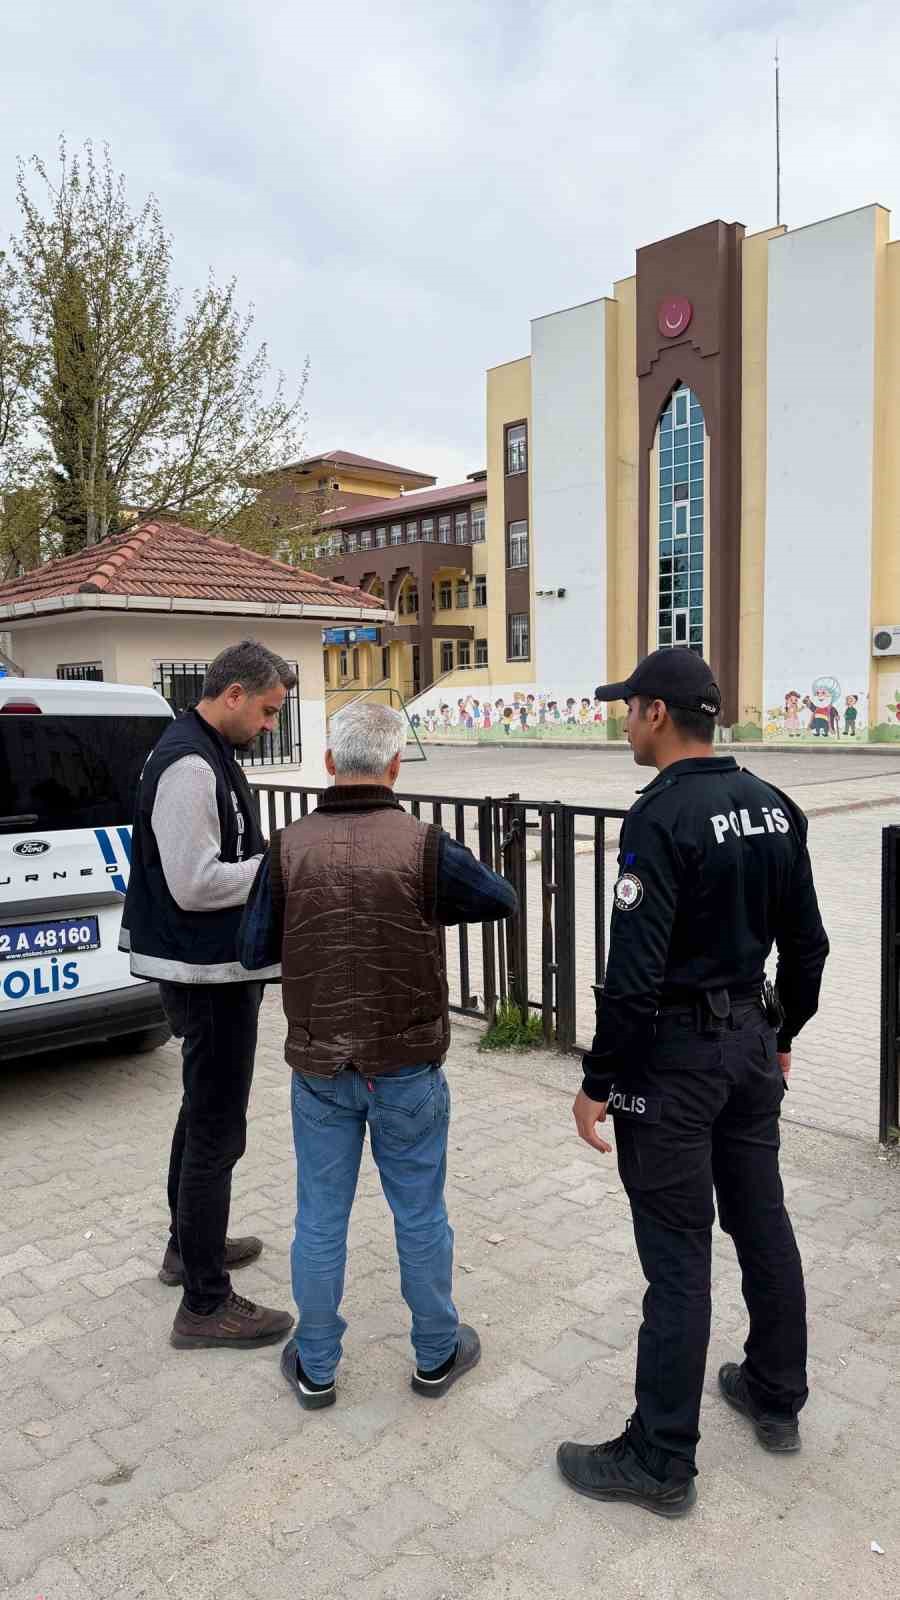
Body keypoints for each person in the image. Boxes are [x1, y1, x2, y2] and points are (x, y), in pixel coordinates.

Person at [557, 647, 829, 1517]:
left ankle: (661, 1458)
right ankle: (776, 1393)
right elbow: (811, 945)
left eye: (628, 708)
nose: (622, 722)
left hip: (675, 1064)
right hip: (749, 1047)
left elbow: (633, 977)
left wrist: (600, 1081)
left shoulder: (661, 818)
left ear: (659, 715)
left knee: (677, 1260)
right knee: (761, 1220)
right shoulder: (775, 807)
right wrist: (783, 1030)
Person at [238, 701, 517, 1409]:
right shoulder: (425, 844)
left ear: (330, 763)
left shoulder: (288, 844)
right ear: (395, 766)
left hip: (319, 1068)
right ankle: (435, 1354)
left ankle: (318, 1367)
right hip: (409, 1066)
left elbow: (251, 949)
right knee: (421, 1214)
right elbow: (500, 898)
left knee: (320, 1219)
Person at [122, 640, 297, 1351]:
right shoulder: (190, 764)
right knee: (217, 1132)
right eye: (265, 711)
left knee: (202, 1114)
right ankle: (205, 1303)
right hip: (206, 975)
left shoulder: (203, 750)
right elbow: (195, 883)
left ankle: (188, 1247)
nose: (267, 726)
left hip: (210, 971)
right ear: (232, 695)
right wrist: (276, 868)